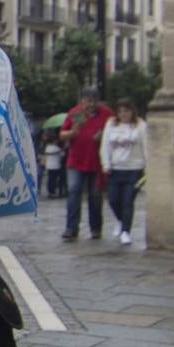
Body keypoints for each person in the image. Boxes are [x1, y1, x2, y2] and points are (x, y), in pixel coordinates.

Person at [58, 86, 113, 240]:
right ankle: (71, 228)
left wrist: (103, 135)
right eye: (88, 101)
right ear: (82, 101)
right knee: (74, 193)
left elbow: (113, 130)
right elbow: (62, 134)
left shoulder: (106, 114)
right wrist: (72, 133)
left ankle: (96, 228)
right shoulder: (77, 113)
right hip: (76, 161)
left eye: (94, 101)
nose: (91, 105)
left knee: (95, 196)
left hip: (96, 162)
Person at [101, 97, 148, 246]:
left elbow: (146, 146)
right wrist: (106, 163)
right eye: (120, 111)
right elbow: (105, 145)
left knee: (128, 201)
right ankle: (120, 220)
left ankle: (126, 231)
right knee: (113, 199)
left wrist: (148, 167)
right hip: (116, 168)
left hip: (134, 168)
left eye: (126, 111)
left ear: (131, 111)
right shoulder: (111, 124)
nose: (123, 114)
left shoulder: (140, 125)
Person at [43, 131, 65, 198]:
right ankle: (53, 192)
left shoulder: (47, 148)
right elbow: (63, 154)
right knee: (55, 180)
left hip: (49, 166)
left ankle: (50, 192)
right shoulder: (56, 148)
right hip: (56, 166)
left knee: (50, 179)